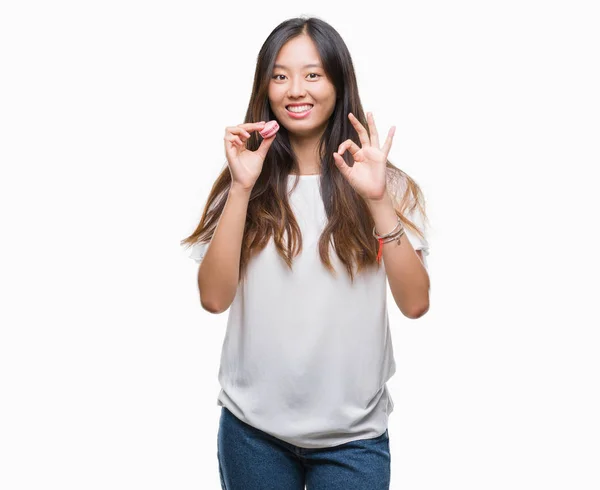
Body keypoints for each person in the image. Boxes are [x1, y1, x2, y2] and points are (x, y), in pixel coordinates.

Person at [180, 16, 430, 490]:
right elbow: (213, 299)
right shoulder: (240, 181)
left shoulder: (386, 184)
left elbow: (416, 304)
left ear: (338, 82)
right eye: (280, 75)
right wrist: (240, 188)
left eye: (313, 74)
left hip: (354, 440)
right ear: (265, 86)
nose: (297, 89)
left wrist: (378, 202)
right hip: (253, 434)